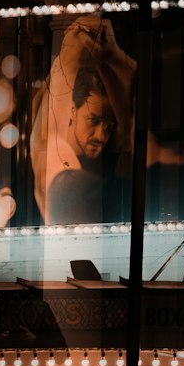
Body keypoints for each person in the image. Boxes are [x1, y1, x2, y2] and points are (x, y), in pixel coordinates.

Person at [30, 15, 134, 225]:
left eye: (108, 126)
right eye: (93, 120)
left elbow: (127, 133)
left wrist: (72, 54)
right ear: (72, 112)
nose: (101, 135)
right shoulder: (66, 181)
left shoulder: (60, 168)